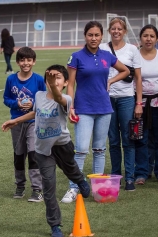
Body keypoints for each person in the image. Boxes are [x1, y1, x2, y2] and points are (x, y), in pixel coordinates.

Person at [2, 65, 90, 237]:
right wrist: (16, 121)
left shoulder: (66, 98)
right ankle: (55, 225)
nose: (54, 81)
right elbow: (35, 113)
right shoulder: (38, 95)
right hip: (42, 150)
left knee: (70, 169)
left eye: (58, 78)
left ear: (65, 82)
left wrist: (53, 85)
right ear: (45, 81)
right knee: (49, 188)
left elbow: (57, 97)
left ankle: (80, 180)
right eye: (51, 77)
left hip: (62, 146)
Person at [61, 21, 129, 203]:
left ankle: (99, 189)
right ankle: (74, 188)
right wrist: (71, 107)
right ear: (85, 36)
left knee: (99, 149)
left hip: (105, 109)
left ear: (101, 36)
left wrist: (111, 81)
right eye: (90, 35)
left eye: (97, 35)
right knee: (81, 150)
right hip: (83, 109)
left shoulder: (107, 55)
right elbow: (71, 85)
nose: (93, 38)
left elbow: (126, 71)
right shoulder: (76, 57)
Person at [99, 17, 143, 191]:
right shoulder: (102, 48)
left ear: (124, 31)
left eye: (120, 29)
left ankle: (130, 178)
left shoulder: (132, 49)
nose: (116, 31)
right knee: (113, 139)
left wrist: (139, 103)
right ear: (109, 30)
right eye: (113, 28)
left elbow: (138, 78)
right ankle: (116, 175)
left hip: (126, 98)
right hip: (107, 99)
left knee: (128, 139)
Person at [2, 46, 45, 202]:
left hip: (34, 122)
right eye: (22, 60)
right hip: (16, 123)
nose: (25, 63)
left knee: (33, 154)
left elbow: (45, 99)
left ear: (33, 62)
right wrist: (17, 104)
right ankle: (20, 186)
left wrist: (33, 103)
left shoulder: (39, 80)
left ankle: (37, 189)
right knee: (19, 155)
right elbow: (6, 99)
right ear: (17, 62)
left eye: (29, 60)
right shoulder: (11, 79)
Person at [134, 24, 158, 184]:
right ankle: (142, 172)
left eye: (152, 36)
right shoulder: (135, 56)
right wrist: (137, 104)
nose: (148, 39)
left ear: (156, 39)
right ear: (140, 38)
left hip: (157, 103)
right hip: (139, 104)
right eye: (145, 36)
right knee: (141, 138)